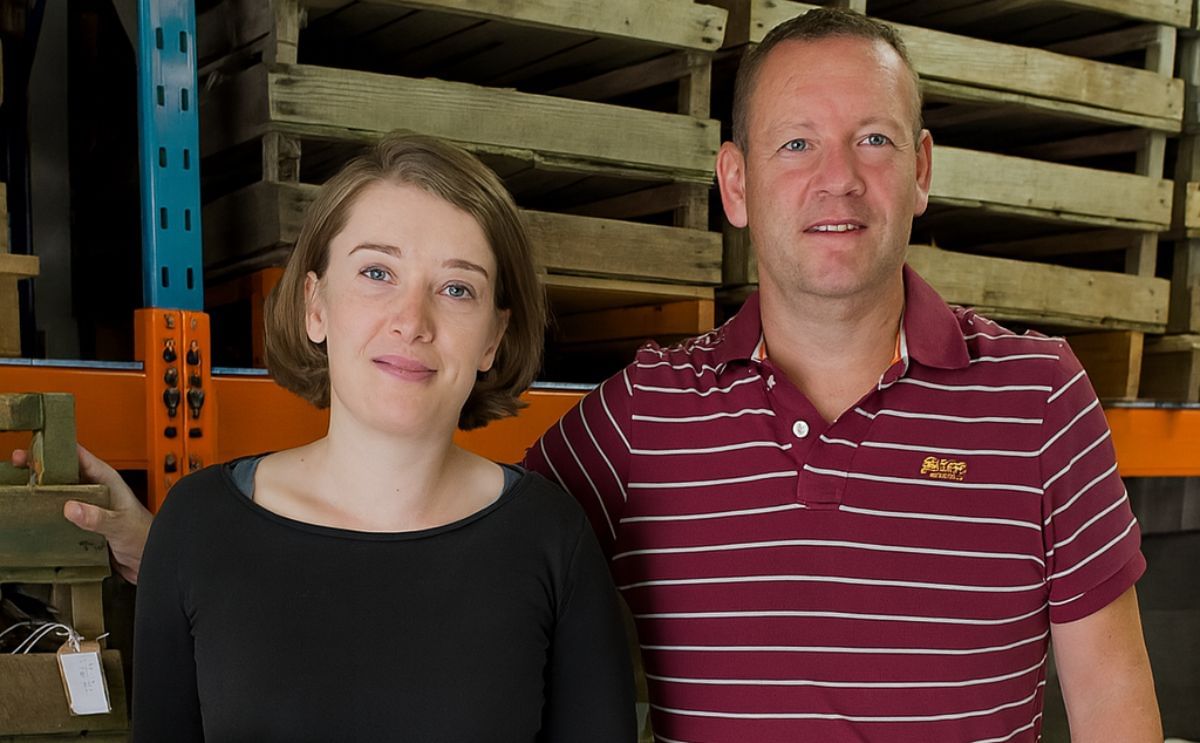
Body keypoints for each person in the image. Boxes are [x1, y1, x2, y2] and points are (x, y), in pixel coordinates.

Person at [34, 8, 1160, 742]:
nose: (837, 180)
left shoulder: (1038, 395)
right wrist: (191, 548)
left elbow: (1114, 704)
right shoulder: (650, 412)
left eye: (873, 141)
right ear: (733, 182)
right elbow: (420, 517)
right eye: (794, 143)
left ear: (920, 170)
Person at [124, 133, 631, 741]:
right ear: (315, 305)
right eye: (376, 272)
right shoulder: (194, 527)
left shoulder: (554, 541)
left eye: (456, 288)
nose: (412, 321)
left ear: (493, 338)